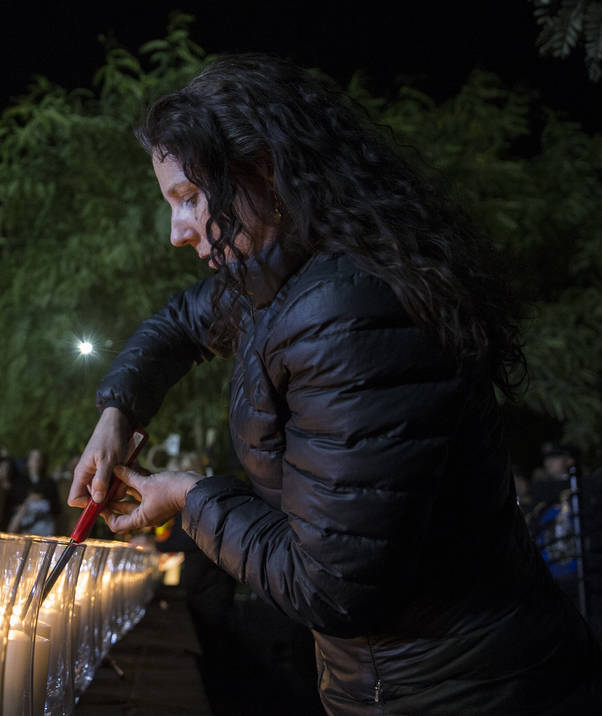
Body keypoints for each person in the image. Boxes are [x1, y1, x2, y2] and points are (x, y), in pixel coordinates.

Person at [68, 54, 602, 713]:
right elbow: (179, 321)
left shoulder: (348, 315)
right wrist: (118, 410)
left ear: (263, 170)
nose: (177, 232)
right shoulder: (280, 279)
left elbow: (334, 590)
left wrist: (189, 496)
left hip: (464, 691)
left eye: (188, 199)